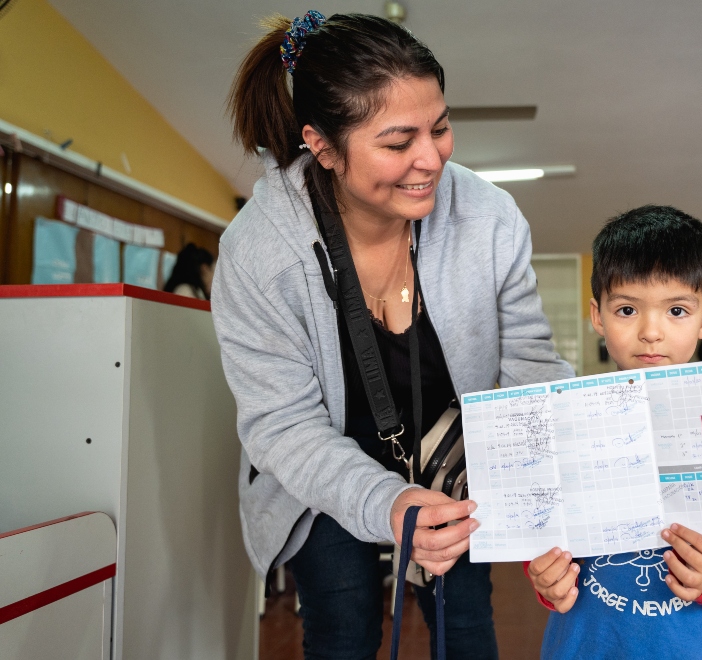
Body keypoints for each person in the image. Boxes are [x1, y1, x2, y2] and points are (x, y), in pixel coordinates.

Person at [215, 12, 573, 659]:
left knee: (464, 622)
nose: (431, 158)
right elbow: (281, 424)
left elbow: (530, 363)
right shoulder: (259, 251)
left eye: (439, 127)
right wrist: (385, 501)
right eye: (398, 140)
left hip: (448, 456)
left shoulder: (490, 218)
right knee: (344, 622)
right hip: (321, 467)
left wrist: (545, 480)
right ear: (322, 146)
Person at [525, 206, 702, 660]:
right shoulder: (568, 428)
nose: (651, 332)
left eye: (677, 310)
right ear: (598, 316)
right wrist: (547, 582)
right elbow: (544, 550)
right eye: (627, 309)